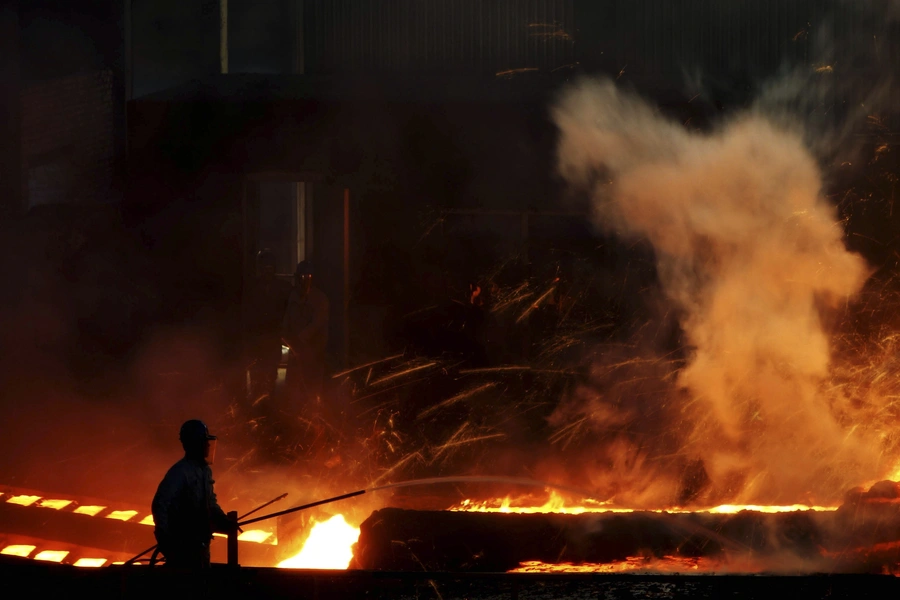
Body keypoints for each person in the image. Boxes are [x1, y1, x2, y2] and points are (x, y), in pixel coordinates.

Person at [151, 420, 236, 568]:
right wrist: (165, 537)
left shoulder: (205, 471)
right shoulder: (180, 472)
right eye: (204, 441)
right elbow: (160, 504)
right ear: (194, 444)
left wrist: (222, 520)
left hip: (201, 545)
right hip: (183, 547)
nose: (208, 445)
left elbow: (210, 502)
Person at [243, 249, 292, 404]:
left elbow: (288, 312)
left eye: (270, 268)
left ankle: (267, 406)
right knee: (258, 376)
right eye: (265, 268)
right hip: (257, 340)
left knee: (270, 376)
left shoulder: (283, 288)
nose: (267, 272)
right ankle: (261, 407)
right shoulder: (251, 288)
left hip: (271, 338)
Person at [281, 260, 330, 413]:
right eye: (301, 278)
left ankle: (314, 426)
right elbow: (286, 323)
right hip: (296, 355)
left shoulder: (320, 299)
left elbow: (315, 327)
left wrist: (298, 341)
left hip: (313, 356)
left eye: (307, 278)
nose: (304, 281)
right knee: (292, 393)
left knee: (312, 394)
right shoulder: (293, 297)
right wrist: (287, 339)